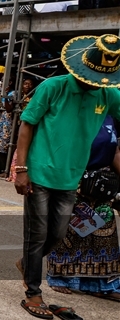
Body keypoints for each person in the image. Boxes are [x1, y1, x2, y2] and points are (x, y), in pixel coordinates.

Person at [13, 34, 120, 320]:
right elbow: (27, 125)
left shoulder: (108, 95)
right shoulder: (53, 87)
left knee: (58, 234)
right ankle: (33, 291)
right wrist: (21, 169)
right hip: (40, 172)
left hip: (71, 177)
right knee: (36, 235)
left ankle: (27, 264)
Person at [46, 115, 120, 300]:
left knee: (105, 232)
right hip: (76, 180)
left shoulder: (110, 118)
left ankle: (101, 283)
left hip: (102, 184)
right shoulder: (77, 115)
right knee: (74, 231)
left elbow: (115, 151)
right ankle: (59, 277)